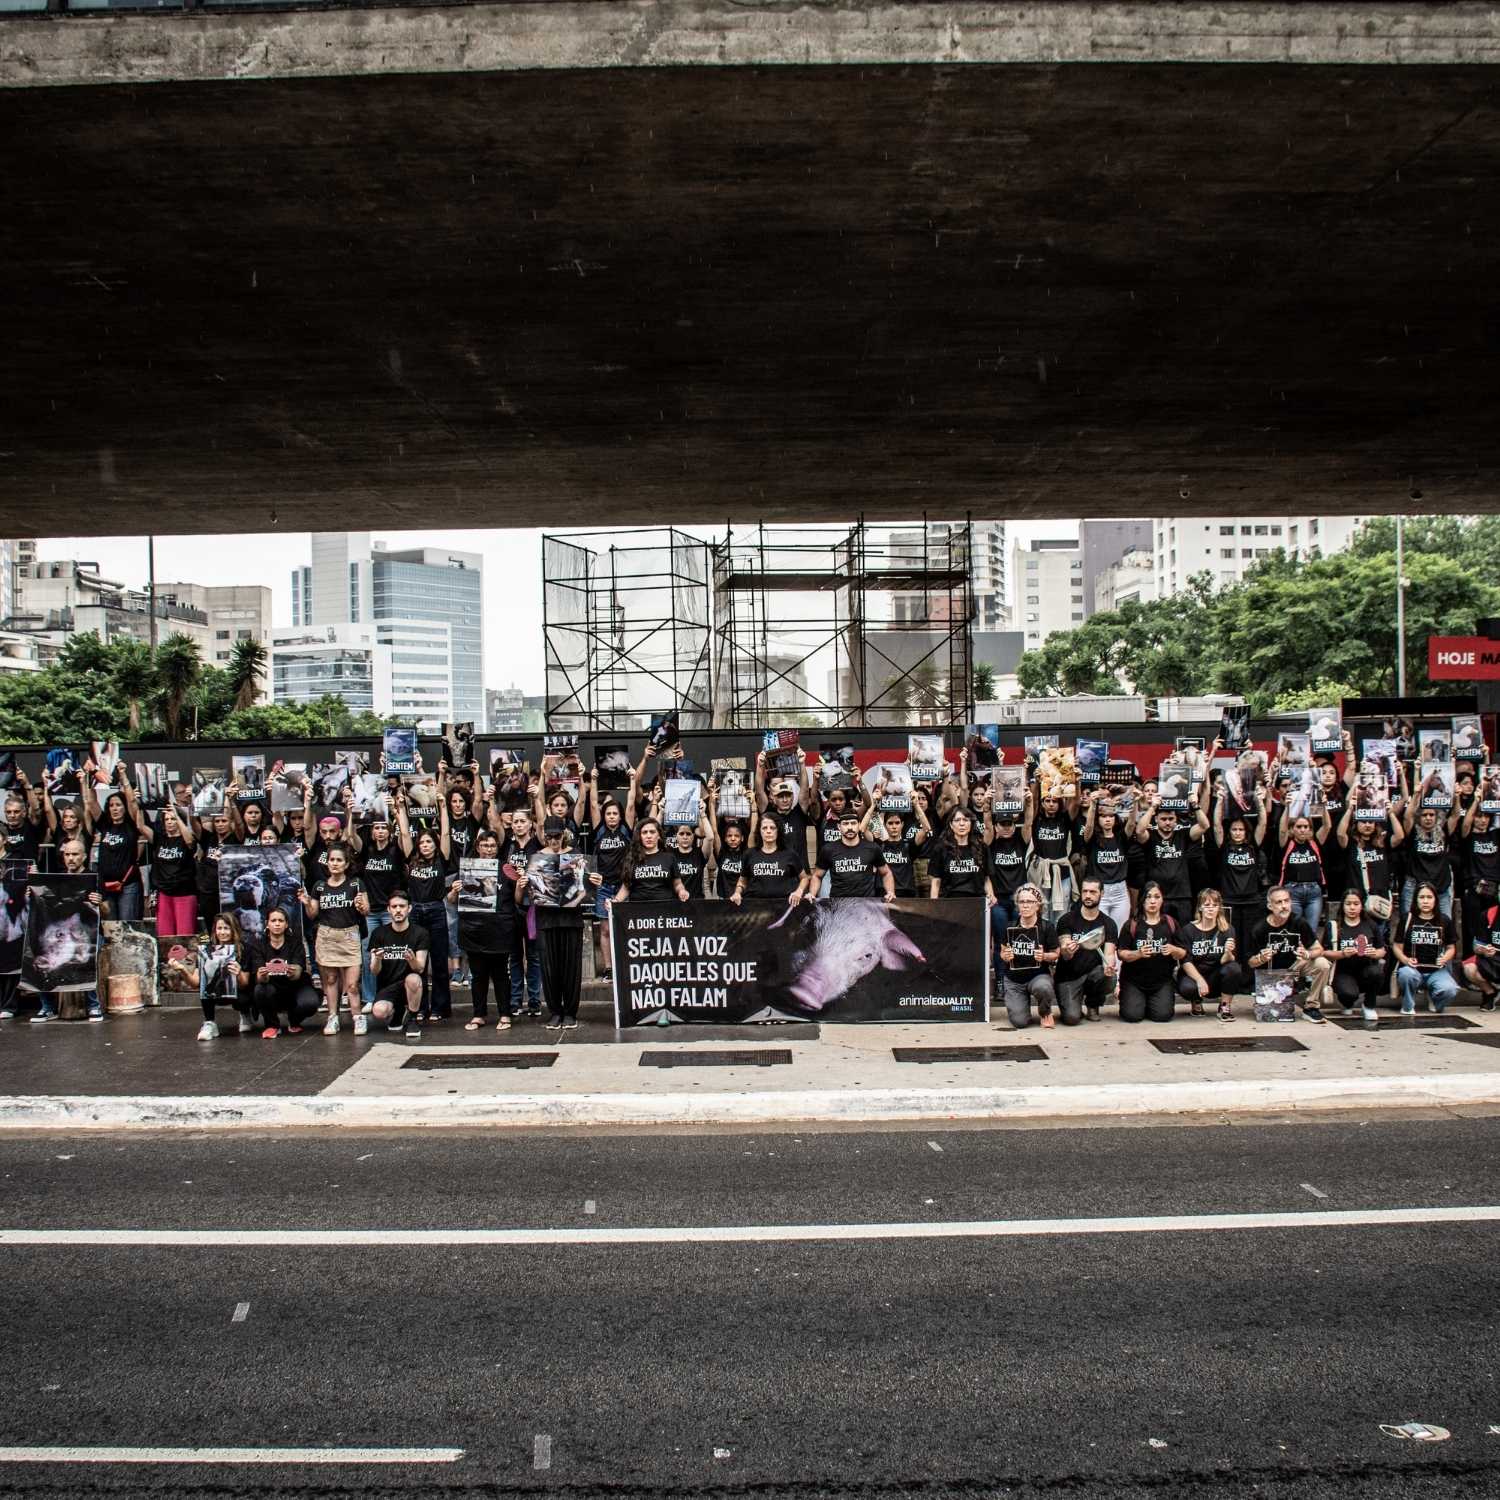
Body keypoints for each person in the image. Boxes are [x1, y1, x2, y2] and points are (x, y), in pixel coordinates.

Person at [298, 845, 370, 1035]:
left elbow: (366, 910)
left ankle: (357, 1017)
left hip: (349, 935)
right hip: (327, 935)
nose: (335, 864)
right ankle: (333, 1017)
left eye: (339, 860)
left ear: (346, 864)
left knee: (352, 984)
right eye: (332, 860)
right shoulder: (319, 886)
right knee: (330, 979)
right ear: (327, 862)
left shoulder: (356, 884)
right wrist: (306, 903)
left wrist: (361, 905)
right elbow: (313, 914)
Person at [396, 795, 454, 1021]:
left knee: (439, 961)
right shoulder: (411, 859)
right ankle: (419, 1007)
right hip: (416, 913)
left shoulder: (442, 859)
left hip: (437, 911)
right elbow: (403, 833)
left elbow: (447, 833)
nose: (426, 845)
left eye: (429, 842)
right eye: (422, 842)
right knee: (417, 964)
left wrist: (442, 807)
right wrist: (401, 808)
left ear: (435, 843)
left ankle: (440, 1008)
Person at [527, 818, 587, 1029]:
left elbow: (583, 887)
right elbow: (528, 894)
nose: (553, 840)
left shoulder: (576, 853)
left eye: (557, 836)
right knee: (549, 968)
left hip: (571, 919)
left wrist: (591, 881)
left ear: (564, 834)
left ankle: (570, 1011)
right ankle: (555, 1011)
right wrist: (525, 884)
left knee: (571, 967)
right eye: (549, 837)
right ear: (544, 836)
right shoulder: (536, 858)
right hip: (546, 918)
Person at [458, 828, 521, 1030]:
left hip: (500, 930)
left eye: (492, 845)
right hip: (474, 929)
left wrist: (520, 882)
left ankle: (505, 1014)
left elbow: (517, 899)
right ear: (477, 847)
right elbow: (452, 900)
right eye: (485, 845)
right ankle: (478, 1015)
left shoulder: (506, 869)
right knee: (478, 975)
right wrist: (454, 891)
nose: (489, 849)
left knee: (501, 974)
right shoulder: (468, 869)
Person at [1247, 885, 1331, 1023]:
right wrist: (1261, 958)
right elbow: (1250, 962)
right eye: (1279, 902)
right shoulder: (1259, 928)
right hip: (1270, 973)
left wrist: (1307, 954)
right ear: (1270, 905)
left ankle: (1311, 1007)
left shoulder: (1299, 922)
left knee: (1322, 963)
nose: (1284, 906)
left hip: (1294, 968)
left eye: (1286, 901)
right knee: (1272, 1015)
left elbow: (1319, 949)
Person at [86, 765, 149, 922]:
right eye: (111, 805)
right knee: (110, 927)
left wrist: (122, 774)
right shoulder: (105, 824)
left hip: (128, 884)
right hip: (105, 885)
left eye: (118, 805)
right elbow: (91, 802)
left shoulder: (131, 825)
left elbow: (132, 801)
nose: (114, 808)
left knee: (127, 926)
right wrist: (90, 775)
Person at [1134, 794, 1207, 928]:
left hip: (1182, 895)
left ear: (1176, 820)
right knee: (1159, 932)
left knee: (1183, 934)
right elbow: (1139, 831)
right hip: (1157, 897)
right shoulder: (1151, 837)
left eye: (1171, 819)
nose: (1167, 822)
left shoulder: (1183, 835)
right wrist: (1153, 807)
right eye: (1163, 819)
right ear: (1156, 820)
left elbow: (1204, 826)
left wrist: (1195, 806)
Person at [1116, 881, 1185, 1023]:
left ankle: (1150, 1003)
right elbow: (1121, 953)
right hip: (1134, 981)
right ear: (1142, 900)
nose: (1152, 901)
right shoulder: (1132, 924)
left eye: (1157, 897)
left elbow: (1183, 953)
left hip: (1162, 981)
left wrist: (1173, 950)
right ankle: (1137, 1002)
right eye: (1148, 897)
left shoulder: (1171, 923)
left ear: (1162, 899)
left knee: (1162, 1016)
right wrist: (1138, 954)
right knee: (1132, 1016)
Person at [1053, 875, 1118, 1024]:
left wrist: (1109, 965)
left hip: (1093, 974)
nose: (1088, 895)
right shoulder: (1066, 920)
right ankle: (1074, 1003)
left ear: (1102, 894)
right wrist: (1068, 950)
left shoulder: (1108, 924)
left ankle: (1093, 1005)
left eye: (1093, 892)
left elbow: (1109, 953)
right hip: (1068, 977)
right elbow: (1064, 952)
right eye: (1085, 891)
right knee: (1071, 1019)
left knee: (1109, 977)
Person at [366, 891, 429, 1037]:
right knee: (379, 1012)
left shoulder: (420, 933)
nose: (398, 910)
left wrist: (411, 959)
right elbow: (374, 971)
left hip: (412, 984)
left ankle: (413, 1019)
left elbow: (419, 968)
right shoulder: (378, 933)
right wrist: (378, 959)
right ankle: (398, 1011)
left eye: (402, 906)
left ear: (409, 908)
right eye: (394, 907)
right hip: (388, 986)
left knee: (412, 979)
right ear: (388, 909)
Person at [247, 906, 316, 1037]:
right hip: (270, 987)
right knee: (260, 990)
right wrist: (263, 975)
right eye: (273, 921)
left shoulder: (295, 943)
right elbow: (259, 978)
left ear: (286, 924)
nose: (277, 924)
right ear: (267, 923)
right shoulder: (258, 945)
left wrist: (292, 972)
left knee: (310, 1002)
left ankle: (294, 1020)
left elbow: (298, 972)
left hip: (293, 987)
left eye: (281, 920)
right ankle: (272, 1025)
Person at [997, 883, 1059, 1030]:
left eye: (1030, 902)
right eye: (1022, 901)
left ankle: (1045, 1011)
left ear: (1038, 905)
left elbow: (1056, 954)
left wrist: (1043, 956)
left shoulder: (1046, 927)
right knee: (1020, 1022)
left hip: (1037, 977)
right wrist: (1005, 956)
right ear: (1017, 905)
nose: (1025, 905)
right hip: (1014, 980)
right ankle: (1020, 1007)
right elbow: (1002, 953)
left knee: (1043, 987)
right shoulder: (1010, 927)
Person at [1392, 881, 1459, 1015]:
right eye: (1421, 897)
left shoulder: (1444, 920)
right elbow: (1396, 946)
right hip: (1413, 969)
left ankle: (1435, 1000)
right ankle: (1408, 1005)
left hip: (1436, 971)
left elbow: (1451, 948)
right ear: (1416, 900)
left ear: (1435, 900)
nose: (1425, 901)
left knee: (1450, 989)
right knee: (1406, 975)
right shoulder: (1407, 919)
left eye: (1429, 897)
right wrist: (1405, 960)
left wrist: (1445, 958)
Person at [1177, 888, 1244, 1022]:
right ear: (1200, 908)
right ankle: (1196, 1002)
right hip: (1195, 974)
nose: (1210, 909)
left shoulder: (1227, 929)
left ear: (1219, 908)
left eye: (1214, 905)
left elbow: (1228, 961)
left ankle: (1225, 1006)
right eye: (1207, 905)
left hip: (1216, 975)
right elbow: (1185, 961)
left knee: (1234, 968)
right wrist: (1199, 980)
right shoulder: (1188, 930)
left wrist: (1228, 952)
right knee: (1188, 987)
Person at [1324, 889, 1387, 1029]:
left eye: (1356, 904)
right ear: (1342, 905)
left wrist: (1374, 953)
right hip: (1343, 971)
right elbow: (1325, 952)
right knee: (1348, 994)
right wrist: (1342, 953)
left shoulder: (1370, 925)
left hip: (1366, 968)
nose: (1352, 907)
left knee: (1377, 972)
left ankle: (1369, 1005)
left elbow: (1382, 950)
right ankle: (1347, 1002)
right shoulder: (1334, 925)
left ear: (1361, 905)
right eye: (1348, 904)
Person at [193, 912, 252, 1041]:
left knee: (245, 995)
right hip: (215, 988)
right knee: (205, 986)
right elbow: (195, 982)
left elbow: (245, 983)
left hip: (238, 991)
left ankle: (245, 1012)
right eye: (219, 928)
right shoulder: (206, 950)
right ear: (214, 930)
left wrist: (239, 973)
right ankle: (209, 1022)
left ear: (233, 929)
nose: (223, 932)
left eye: (226, 928)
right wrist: (182, 970)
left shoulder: (245, 949)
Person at [1078, 791, 1131, 933]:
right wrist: (1093, 805)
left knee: (1120, 932)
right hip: (1099, 891)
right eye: (1103, 816)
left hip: (1120, 891)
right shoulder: (1093, 838)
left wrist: (1135, 802)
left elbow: (1131, 825)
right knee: (1098, 933)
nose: (1107, 819)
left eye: (1111, 816)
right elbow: (1088, 828)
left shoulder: (1121, 837)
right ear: (1098, 819)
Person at [814, 809, 895, 901]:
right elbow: (817, 876)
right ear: (839, 826)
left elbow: (886, 873)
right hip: (839, 905)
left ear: (859, 825)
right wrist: (812, 894)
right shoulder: (829, 849)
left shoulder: (872, 848)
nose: (850, 827)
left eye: (853, 823)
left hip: (865, 904)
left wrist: (890, 892)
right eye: (845, 824)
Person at [1276, 805, 1332, 934]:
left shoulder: (1314, 843)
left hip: (1314, 892)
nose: (1302, 830)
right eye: (1299, 827)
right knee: (1294, 930)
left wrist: (1323, 806)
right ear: (1292, 829)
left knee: (1311, 931)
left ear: (1310, 829)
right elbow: (1282, 830)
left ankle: (1309, 954)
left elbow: (1327, 826)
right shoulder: (1287, 843)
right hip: (1292, 891)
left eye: (1306, 827)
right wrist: (1288, 807)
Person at [731, 815, 806, 907]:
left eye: (773, 828)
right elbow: (742, 881)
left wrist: (799, 891)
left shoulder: (790, 854)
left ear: (778, 830)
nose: (768, 831)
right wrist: (737, 892)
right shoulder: (749, 854)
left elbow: (804, 878)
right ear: (759, 831)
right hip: (754, 907)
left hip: (783, 906)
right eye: (764, 828)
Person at [150, 802, 198, 938]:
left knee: (185, 935)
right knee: (165, 936)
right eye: (167, 819)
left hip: (184, 893)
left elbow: (190, 842)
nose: (170, 822)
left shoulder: (187, 839)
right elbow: (140, 826)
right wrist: (138, 804)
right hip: (164, 893)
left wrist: (177, 814)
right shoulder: (160, 839)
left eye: (173, 819)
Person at [927, 807, 993, 903]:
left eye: (965, 820)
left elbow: (986, 878)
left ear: (971, 823)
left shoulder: (982, 847)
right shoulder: (940, 849)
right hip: (950, 902)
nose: (961, 824)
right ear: (951, 824)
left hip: (977, 901)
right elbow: (936, 881)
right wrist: (934, 904)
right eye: (957, 820)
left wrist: (991, 895)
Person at [614, 819, 682, 904]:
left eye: (652, 832)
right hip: (639, 910)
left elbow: (677, 884)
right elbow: (626, 887)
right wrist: (615, 901)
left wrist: (681, 891)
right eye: (644, 832)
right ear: (640, 836)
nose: (648, 836)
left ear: (659, 835)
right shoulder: (632, 858)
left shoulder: (669, 857)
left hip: (665, 909)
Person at [1461, 896, 1500, 1012]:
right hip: (1493, 959)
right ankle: (1490, 992)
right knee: (1469, 968)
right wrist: (1484, 950)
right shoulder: (1488, 914)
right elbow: (1477, 946)